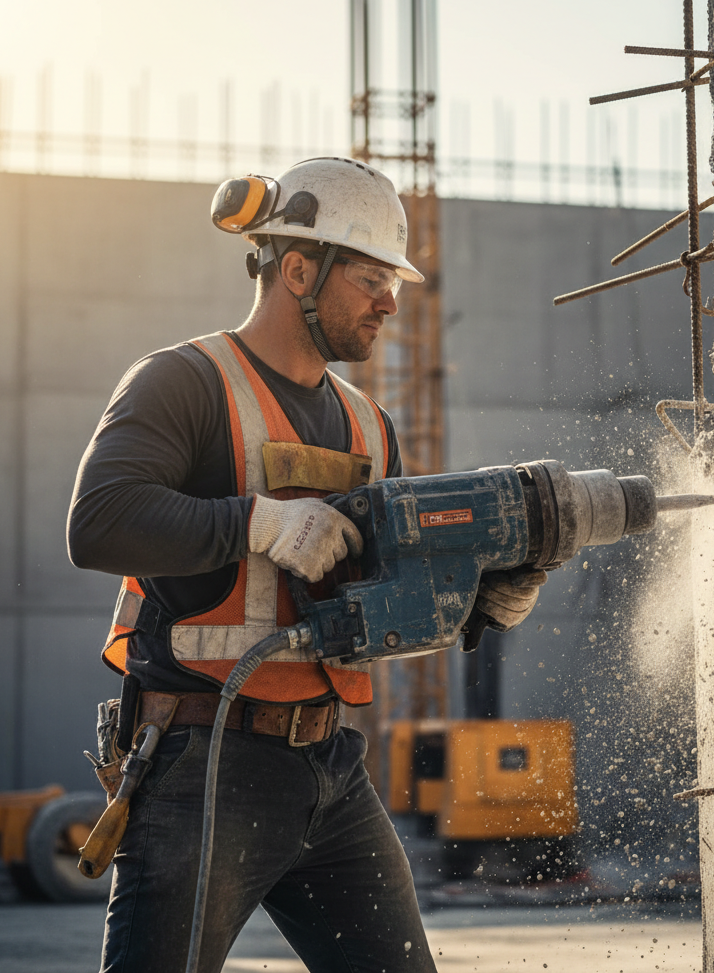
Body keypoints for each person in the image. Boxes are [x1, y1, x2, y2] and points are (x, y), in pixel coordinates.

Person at [67, 157, 545, 973]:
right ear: (296, 269)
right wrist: (260, 521)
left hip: (329, 770)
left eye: (393, 282)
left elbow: (382, 592)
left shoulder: (372, 426)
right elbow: (99, 523)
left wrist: (482, 603)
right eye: (370, 279)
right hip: (200, 768)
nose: (392, 301)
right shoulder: (183, 382)